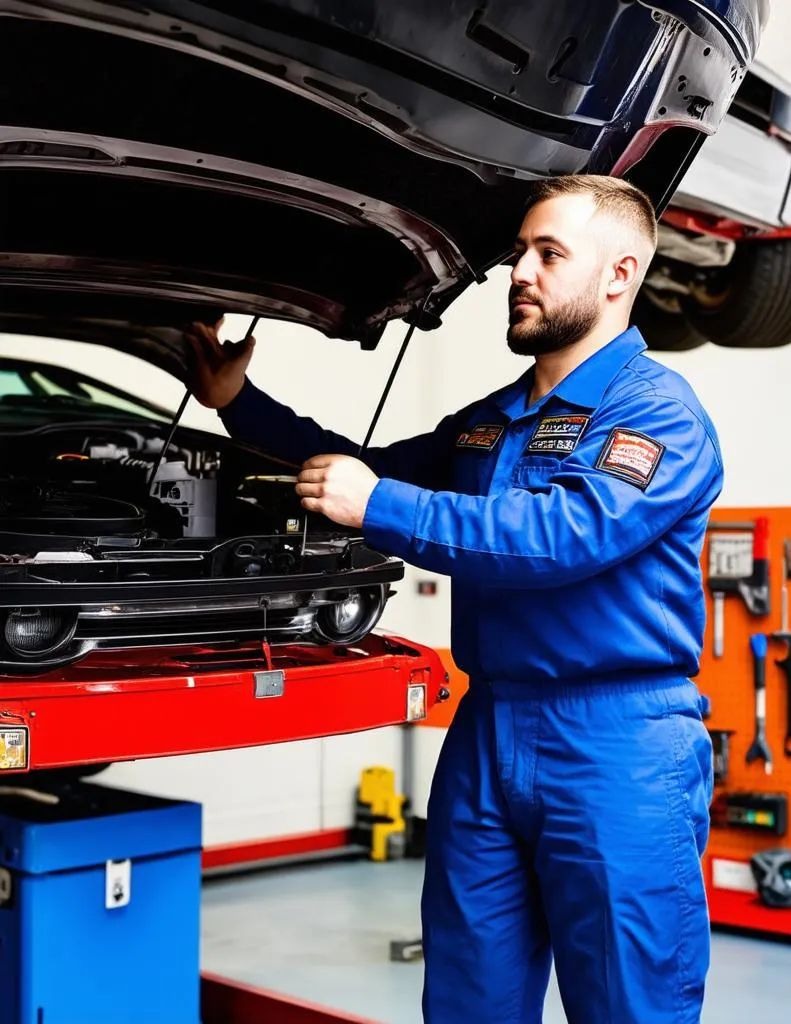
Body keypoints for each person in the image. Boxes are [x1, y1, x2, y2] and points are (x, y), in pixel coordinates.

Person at [185, 174, 723, 1024]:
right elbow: (363, 468)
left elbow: (559, 536)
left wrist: (380, 508)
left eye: (550, 254)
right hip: (489, 732)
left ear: (619, 275)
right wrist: (238, 403)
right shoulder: (494, 420)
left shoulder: (657, 416)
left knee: (630, 1005)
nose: (521, 273)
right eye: (519, 254)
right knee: (470, 997)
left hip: (617, 745)